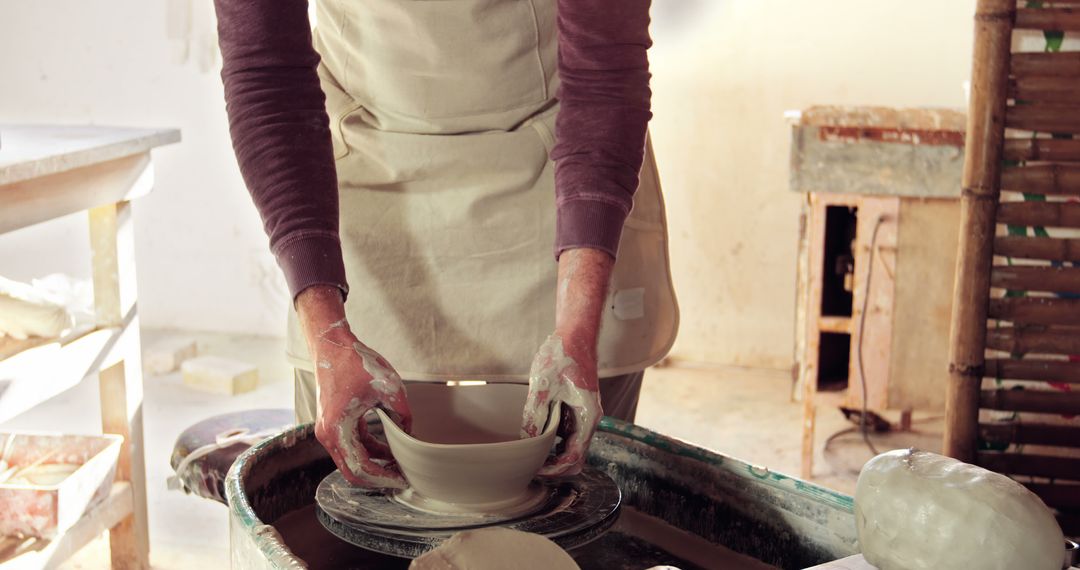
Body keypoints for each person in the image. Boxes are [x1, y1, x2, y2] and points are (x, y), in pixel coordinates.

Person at [213, 0, 678, 488]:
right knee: (350, 508)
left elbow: (603, 77)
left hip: (561, 173)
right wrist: (327, 331)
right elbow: (268, 78)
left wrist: (578, 329)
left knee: (578, 506)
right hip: (364, 171)